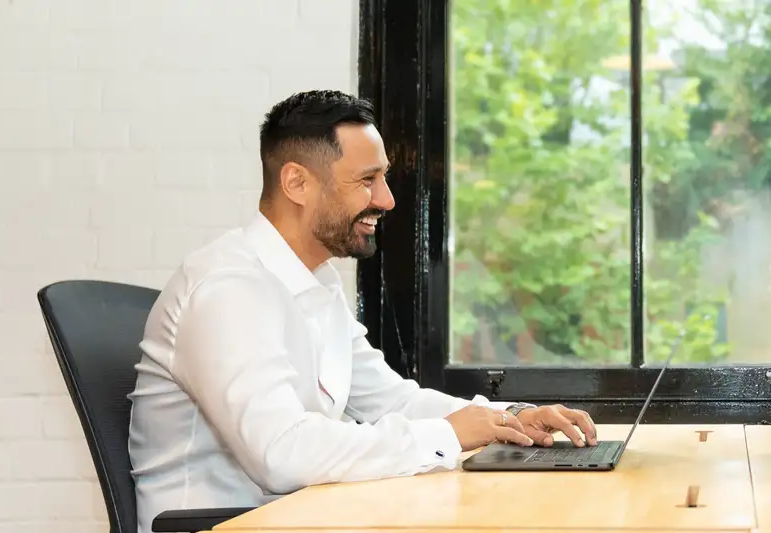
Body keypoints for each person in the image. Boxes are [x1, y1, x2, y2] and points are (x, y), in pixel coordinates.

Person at [127, 89, 597, 533]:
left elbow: (392, 401)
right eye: (367, 180)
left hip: (298, 516)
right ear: (296, 182)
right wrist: (446, 435)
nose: (387, 199)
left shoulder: (315, 282)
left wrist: (508, 418)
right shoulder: (226, 289)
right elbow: (279, 453)